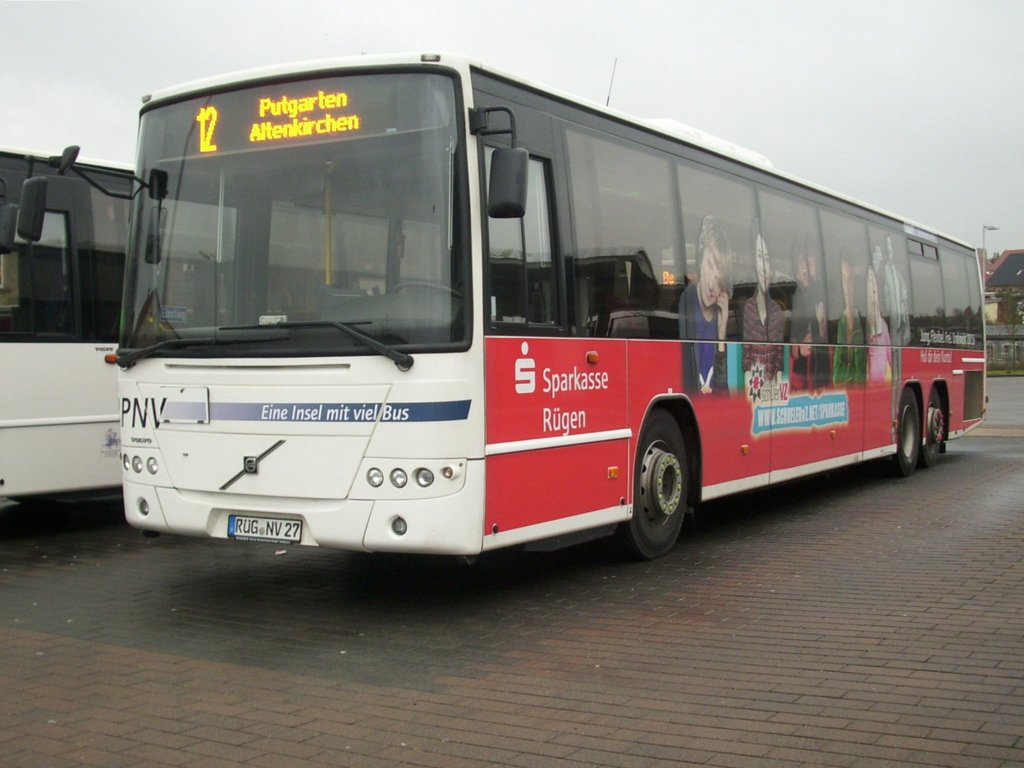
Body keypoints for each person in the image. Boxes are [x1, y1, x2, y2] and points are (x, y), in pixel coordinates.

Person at [679, 215, 732, 394]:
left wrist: (722, 335)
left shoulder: (719, 319)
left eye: (719, 279)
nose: (711, 284)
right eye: (709, 265)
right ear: (699, 260)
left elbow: (724, 391)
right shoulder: (687, 301)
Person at [788, 234, 829, 390]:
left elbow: (824, 336)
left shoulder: (819, 294)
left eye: (808, 261)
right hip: (802, 376)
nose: (805, 267)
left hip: (819, 373)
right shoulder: (797, 298)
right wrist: (800, 349)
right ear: (797, 272)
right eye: (800, 264)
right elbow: (792, 344)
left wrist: (821, 323)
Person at [742, 232, 784, 380]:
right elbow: (746, 353)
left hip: (773, 391)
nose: (764, 268)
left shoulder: (777, 311)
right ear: (754, 262)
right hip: (754, 388)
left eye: (767, 259)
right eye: (760, 257)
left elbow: (779, 355)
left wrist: (778, 380)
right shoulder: (748, 308)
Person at [833, 248, 866, 386]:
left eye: (850, 279)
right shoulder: (837, 321)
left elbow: (860, 376)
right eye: (843, 279)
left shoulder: (863, 322)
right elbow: (836, 377)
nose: (846, 285)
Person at [865, 261, 892, 383]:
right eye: (870, 293)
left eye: (875, 293)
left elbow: (890, 357)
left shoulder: (883, 326)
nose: (873, 298)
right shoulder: (863, 326)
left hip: (882, 384)